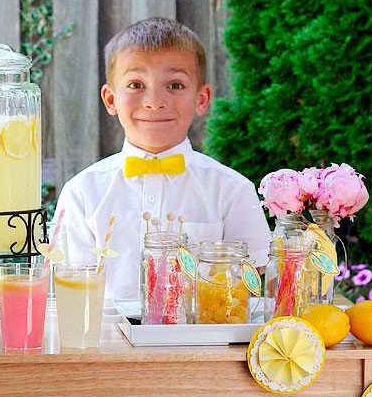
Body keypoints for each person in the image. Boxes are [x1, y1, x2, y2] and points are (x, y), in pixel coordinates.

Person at [54, 17, 271, 300]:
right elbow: (71, 292)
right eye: (136, 84)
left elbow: (253, 292)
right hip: (105, 330)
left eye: (175, 85)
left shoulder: (232, 191)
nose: (154, 102)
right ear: (110, 100)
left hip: (204, 330)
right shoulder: (82, 194)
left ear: (201, 99)